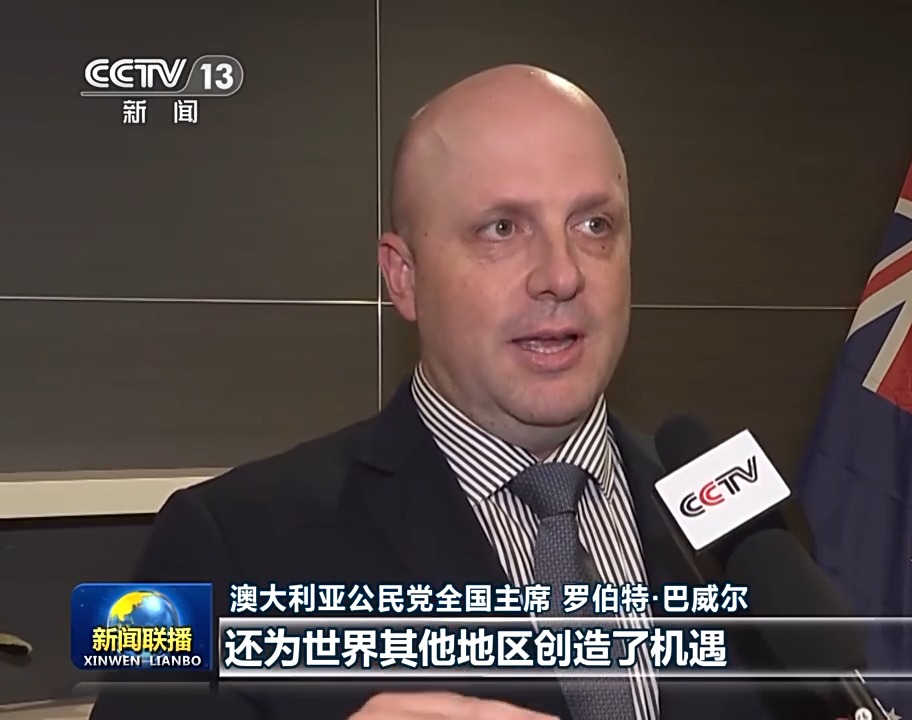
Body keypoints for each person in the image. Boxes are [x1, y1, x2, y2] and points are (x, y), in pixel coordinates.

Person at [87, 64, 791, 720]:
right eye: (501, 228)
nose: (562, 274)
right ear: (404, 276)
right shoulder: (220, 543)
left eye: (594, 225)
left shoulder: (743, 513)